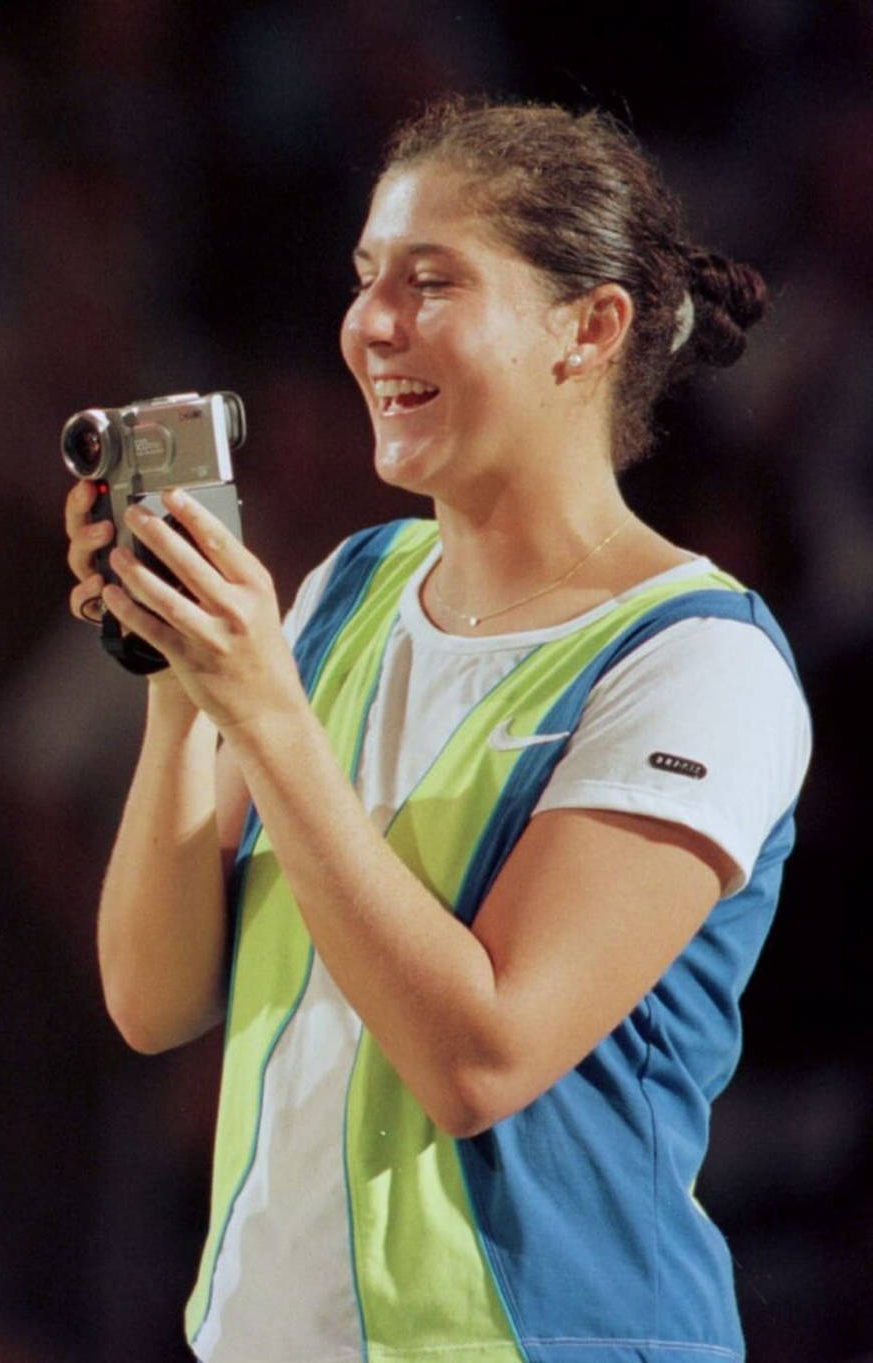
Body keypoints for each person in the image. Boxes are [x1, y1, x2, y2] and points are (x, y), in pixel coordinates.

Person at [65, 97, 808, 1362]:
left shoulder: (697, 662)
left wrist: (263, 706)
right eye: (366, 278)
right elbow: (152, 994)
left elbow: (480, 1059)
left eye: (432, 280)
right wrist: (181, 679)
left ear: (591, 326)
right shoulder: (347, 590)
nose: (372, 325)